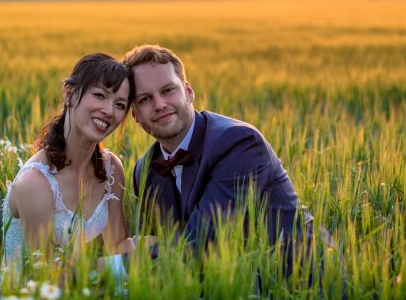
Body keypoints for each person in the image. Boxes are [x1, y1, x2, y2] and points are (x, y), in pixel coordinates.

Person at [123, 45, 316, 252]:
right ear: (135, 114)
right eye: (145, 99)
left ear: (188, 92)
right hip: (209, 279)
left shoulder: (239, 143)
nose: (159, 104)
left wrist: (107, 268)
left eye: (168, 90)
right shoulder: (145, 170)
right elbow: (151, 244)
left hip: (293, 276)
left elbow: (203, 242)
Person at [0, 53, 134, 288]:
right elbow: (47, 277)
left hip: (79, 291)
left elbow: (117, 246)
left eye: (119, 105)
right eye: (100, 95)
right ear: (69, 94)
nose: (109, 111)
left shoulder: (111, 169)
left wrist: (150, 248)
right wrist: (128, 262)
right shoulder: (35, 183)